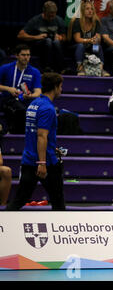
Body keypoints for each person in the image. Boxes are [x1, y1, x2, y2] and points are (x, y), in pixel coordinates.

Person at [6, 73, 66, 211]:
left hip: (29, 159)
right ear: (55, 87)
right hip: (45, 163)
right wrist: (42, 163)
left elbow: (35, 133)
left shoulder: (34, 104)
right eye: (61, 86)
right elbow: (41, 136)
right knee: (58, 202)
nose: (61, 90)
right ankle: (61, 231)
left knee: (19, 200)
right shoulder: (48, 109)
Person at [0, 44, 42, 134]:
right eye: (23, 55)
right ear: (16, 55)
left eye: (28, 55)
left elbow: (38, 91)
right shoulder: (5, 68)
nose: (26, 57)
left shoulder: (34, 71)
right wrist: (8, 89)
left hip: (26, 100)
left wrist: (31, 95)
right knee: (20, 110)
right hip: (7, 99)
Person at [17, 1, 66, 73]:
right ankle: (47, 67)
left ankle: (62, 68)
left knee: (56, 42)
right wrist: (36, 37)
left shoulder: (59, 20)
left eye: (53, 15)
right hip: (39, 46)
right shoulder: (35, 20)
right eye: (49, 16)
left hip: (55, 46)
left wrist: (60, 37)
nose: (51, 18)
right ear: (44, 12)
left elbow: (65, 37)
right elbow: (20, 35)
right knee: (48, 41)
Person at [67, 0, 108, 77]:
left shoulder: (96, 22)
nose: (90, 11)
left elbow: (98, 37)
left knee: (97, 46)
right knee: (81, 45)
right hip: (76, 47)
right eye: (87, 9)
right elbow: (77, 39)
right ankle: (80, 67)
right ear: (82, 10)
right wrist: (90, 40)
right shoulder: (77, 21)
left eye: (92, 9)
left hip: (90, 46)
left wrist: (97, 39)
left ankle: (100, 68)